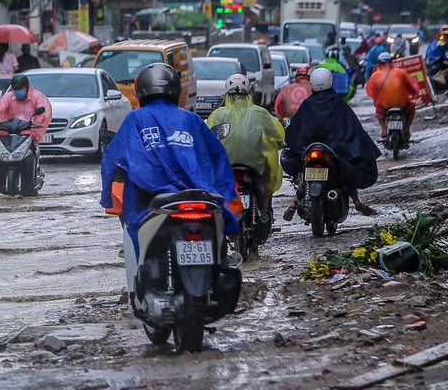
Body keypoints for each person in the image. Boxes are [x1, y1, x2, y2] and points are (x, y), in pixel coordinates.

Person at [100, 63, 240, 298]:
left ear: (142, 91)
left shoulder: (135, 119)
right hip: (199, 195)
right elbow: (219, 161)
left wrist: (107, 196)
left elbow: (112, 159)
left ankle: (144, 287)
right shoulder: (192, 120)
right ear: (176, 90)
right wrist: (228, 200)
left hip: (151, 199)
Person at [281, 68, 379, 219]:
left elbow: (296, 131)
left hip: (310, 150)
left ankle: (294, 202)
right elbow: (354, 130)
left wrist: (292, 143)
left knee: (305, 171)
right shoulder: (339, 104)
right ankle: (357, 201)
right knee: (347, 168)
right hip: (336, 151)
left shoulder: (307, 105)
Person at [206, 73, 285, 217]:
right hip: (257, 166)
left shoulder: (217, 115)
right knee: (267, 187)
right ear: (249, 93)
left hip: (226, 167)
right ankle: (265, 211)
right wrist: (280, 143)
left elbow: (208, 140)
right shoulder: (260, 114)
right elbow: (277, 136)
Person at [364, 51, 419, 142]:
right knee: (411, 110)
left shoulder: (375, 76)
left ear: (379, 64)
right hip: (402, 105)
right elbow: (411, 87)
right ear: (391, 62)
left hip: (385, 106)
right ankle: (406, 130)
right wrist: (414, 93)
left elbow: (371, 92)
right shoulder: (401, 72)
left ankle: (384, 129)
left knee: (379, 113)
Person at [0, 72, 52, 146]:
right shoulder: (7, 98)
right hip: (9, 132)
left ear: (27, 87)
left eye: (21, 88)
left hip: (29, 132)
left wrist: (38, 121)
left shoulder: (37, 97)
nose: (18, 91)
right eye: (16, 89)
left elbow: (43, 111)